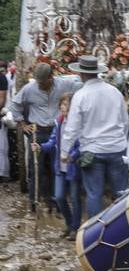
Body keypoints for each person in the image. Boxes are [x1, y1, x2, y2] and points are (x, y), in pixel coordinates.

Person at [61, 55, 129, 218]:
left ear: (81, 74)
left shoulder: (81, 95)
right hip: (116, 148)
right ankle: (123, 230)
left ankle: (95, 234)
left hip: (92, 151)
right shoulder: (114, 92)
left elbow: (72, 127)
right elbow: (125, 121)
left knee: (94, 194)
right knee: (121, 194)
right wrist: (122, 141)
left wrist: (65, 152)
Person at [10, 61, 81, 211]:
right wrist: (22, 124)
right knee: (36, 168)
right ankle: (34, 201)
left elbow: (82, 86)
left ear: (51, 77)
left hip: (57, 131)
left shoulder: (64, 84)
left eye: (43, 81)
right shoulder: (30, 88)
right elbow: (15, 105)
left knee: (57, 167)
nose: (40, 84)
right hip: (38, 132)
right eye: (38, 81)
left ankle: (56, 202)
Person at [32, 94, 83, 240]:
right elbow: (53, 142)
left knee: (74, 198)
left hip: (73, 167)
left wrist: (72, 156)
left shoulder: (79, 124)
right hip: (60, 166)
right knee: (59, 197)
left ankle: (75, 228)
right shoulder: (59, 122)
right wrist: (40, 147)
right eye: (62, 104)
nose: (63, 107)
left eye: (67, 105)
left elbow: (82, 145)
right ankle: (69, 224)